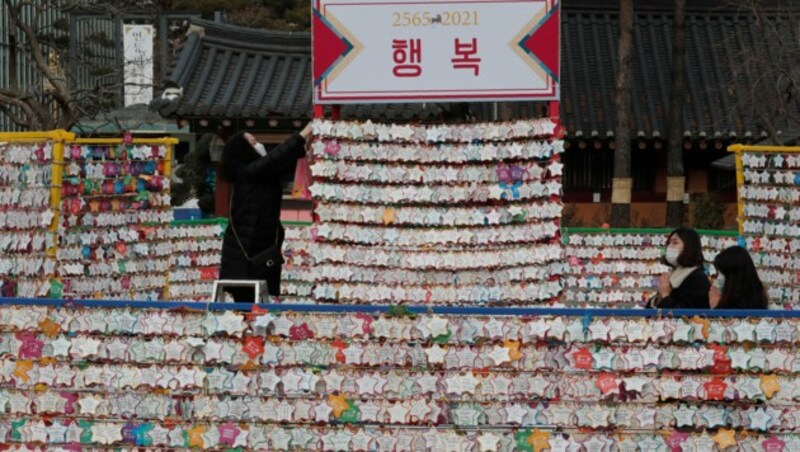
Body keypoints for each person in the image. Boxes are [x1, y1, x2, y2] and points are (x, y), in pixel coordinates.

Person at [219, 125, 312, 301]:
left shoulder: (261, 172)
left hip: (259, 244)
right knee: (246, 297)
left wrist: (303, 149)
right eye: (253, 142)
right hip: (245, 249)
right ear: (244, 150)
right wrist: (302, 134)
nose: (259, 144)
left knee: (258, 296)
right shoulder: (248, 171)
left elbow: (280, 163)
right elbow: (273, 159)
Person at [647, 227, 710, 309]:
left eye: (675, 243)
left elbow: (685, 316)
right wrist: (659, 297)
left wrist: (665, 295)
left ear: (689, 247)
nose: (669, 247)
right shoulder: (673, 275)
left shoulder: (697, 279)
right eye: (668, 243)